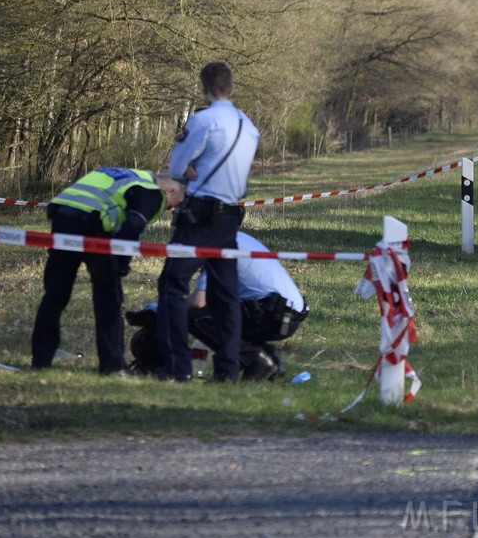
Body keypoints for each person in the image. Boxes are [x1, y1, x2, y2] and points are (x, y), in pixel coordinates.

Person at [156, 61, 259, 382]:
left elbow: (176, 167)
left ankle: (177, 367)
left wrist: (186, 168)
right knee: (225, 295)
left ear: (203, 87)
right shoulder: (249, 125)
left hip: (199, 218)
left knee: (172, 286)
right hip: (230, 218)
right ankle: (227, 371)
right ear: (232, 87)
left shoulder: (204, 119)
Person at [31, 168, 184, 374]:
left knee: (55, 295)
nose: (167, 210)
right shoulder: (151, 190)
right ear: (170, 190)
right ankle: (113, 367)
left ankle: (41, 361)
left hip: (63, 216)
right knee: (108, 298)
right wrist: (121, 264)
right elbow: (133, 226)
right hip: (93, 227)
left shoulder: (118, 174)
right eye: (171, 206)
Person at [126, 231, 308, 381]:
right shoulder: (233, 236)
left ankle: (256, 359)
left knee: (195, 315)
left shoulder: (213, 243)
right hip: (283, 313)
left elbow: (199, 302)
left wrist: (161, 308)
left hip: (272, 314)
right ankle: (266, 354)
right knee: (215, 311)